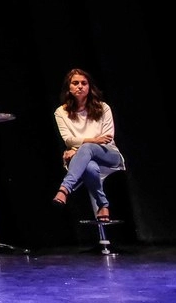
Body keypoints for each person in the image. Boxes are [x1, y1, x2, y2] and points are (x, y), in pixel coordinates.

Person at [51, 68, 124, 222]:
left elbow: (107, 138)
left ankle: (65, 188)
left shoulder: (103, 108)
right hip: (83, 158)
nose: (80, 86)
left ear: (89, 87)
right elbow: (68, 140)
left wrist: (80, 148)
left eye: (84, 83)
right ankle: (103, 204)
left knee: (87, 147)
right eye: (75, 83)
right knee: (90, 167)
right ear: (69, 88)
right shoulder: (61, 112)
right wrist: (89, 142)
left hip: (109, 154)